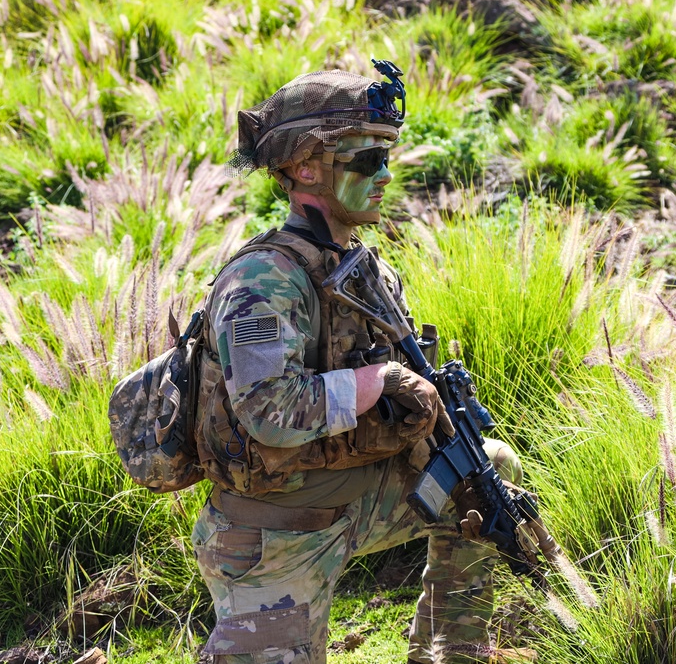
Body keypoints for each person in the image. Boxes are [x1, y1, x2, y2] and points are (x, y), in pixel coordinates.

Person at [189, 62, 535, 664]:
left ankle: (454, 651)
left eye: (387, 158)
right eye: (366, 160)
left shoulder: (363, 270)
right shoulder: (262, 280)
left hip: (353, 498)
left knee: (485, 474)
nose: (385, 176)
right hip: (272, 532)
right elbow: (269, 412)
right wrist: (381, 380)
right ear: (303, 167)